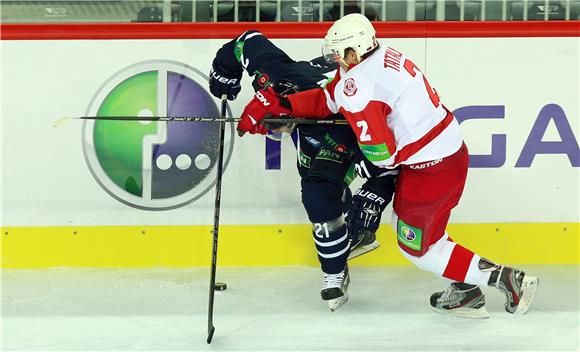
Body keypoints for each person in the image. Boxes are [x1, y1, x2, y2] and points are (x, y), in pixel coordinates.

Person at [236, 14, 539, 318]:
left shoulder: (361, 88)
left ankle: (505, 279)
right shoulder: (382, 56)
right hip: (445, 155)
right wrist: (286, 106)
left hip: (430, 171)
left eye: (336, 54)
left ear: (353, 51)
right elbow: (332, 98)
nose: (332, 60)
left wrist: (361, 181)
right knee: (426, 234)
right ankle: (465, 291)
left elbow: (382, 156)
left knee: (419, 247)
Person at [209, 30, 397, 311]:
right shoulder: (271, 74)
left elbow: (388, 158)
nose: (274, 131)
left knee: (319, 195)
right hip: (310, 107)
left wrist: (368, 205)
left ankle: (336, 266)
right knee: (319, 186)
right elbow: (246, 41)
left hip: (343, 129)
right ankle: (344, 228)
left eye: (276, 124)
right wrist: (223, 75)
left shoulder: (344, 111)